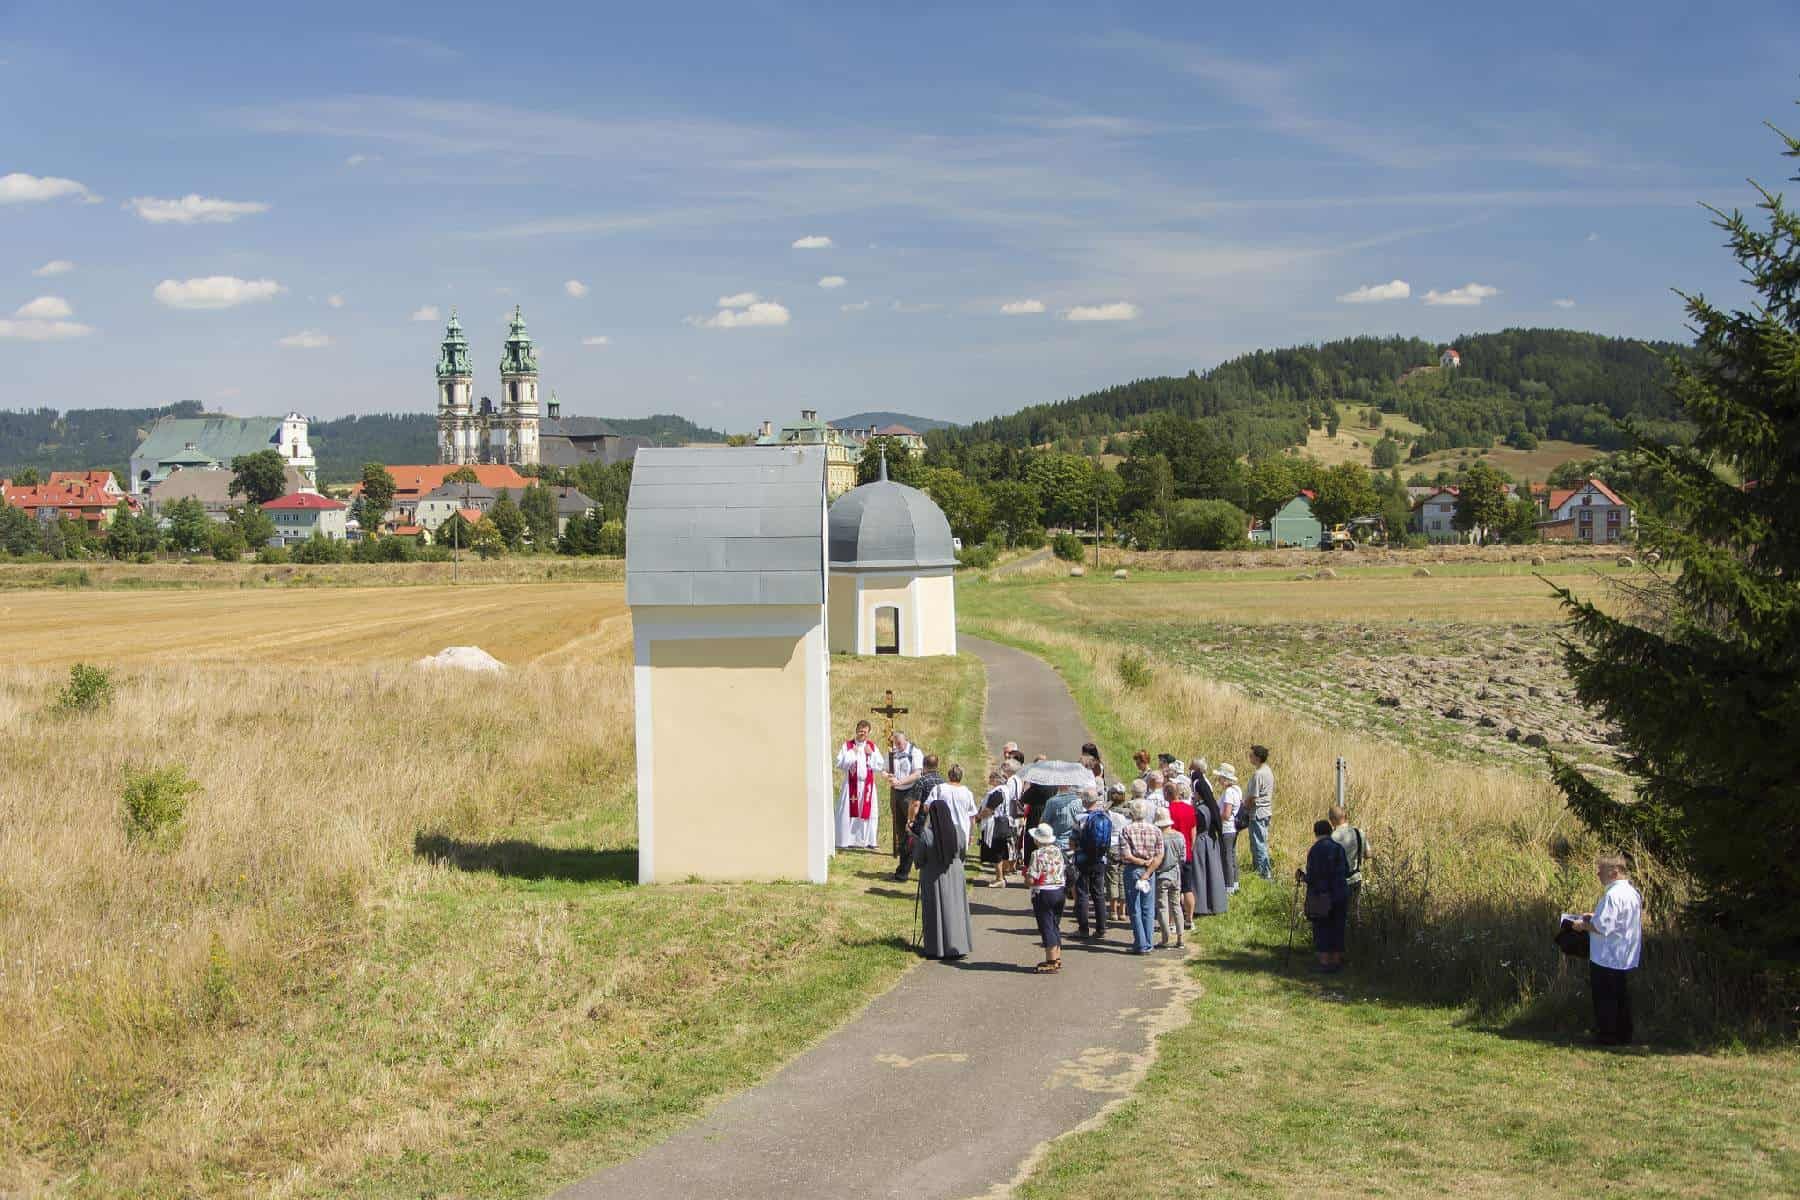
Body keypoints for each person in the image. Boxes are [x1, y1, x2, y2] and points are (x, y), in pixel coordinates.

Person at [1568, 852, 1642, 1045]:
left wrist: (1581, 925)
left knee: (1605, 997)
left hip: (1607, 955)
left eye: (1602, 870)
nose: (1598, 873)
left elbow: (1602, 927)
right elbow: (1617, 920)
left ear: (1615, 872)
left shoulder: (1612, 895)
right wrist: (1594, 915)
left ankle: (1607, 1036)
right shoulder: (1632, 893)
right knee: (1621, 996)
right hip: (1624, 954)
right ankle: (1624, 1035)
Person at [914, 767, 973, 961]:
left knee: (936, 911)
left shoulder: (927, 834)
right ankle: (958, 945)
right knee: (956, 909)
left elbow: (919, 859)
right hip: (955, 873)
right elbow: (962, 853)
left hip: (933, 876)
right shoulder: (958, 831)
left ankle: (936, 947)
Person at [1296, 819, 1349, 972]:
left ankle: (1325, 963)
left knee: (1322, 928)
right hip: (1340, 893)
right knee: (1338, 928)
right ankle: (1336, 962)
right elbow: (1346, 870)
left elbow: (1313, 876)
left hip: (1321, 895)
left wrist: (1302, 877)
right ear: (1330, 831)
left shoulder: (1315, 850)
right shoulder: (1339, 848)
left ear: (1316, 833)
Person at [1117, 800, 1164, 955]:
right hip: (1150, 869)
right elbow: (1160, 855)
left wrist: (1141, 862)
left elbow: (1126, 855)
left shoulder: (1126, 830)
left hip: (1133, 870)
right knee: (1148, 908)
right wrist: (1148, 871)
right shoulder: (1156, 830)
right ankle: (1148, 943)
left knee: (1134, 908)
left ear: (1132, 813)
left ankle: (1141, 944)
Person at [834, 720, 886, 850]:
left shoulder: (872, 746)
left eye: (865, 731)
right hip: (851, 784)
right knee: (847, 811)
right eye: (860, 731)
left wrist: (871, 754)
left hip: (867, 786)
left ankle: (867, 841)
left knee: (868, 812)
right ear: (856, 730)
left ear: (869, 732)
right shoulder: (848, 746)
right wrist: (853, 753)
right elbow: (840, 763)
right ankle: (846, 840)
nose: (862, 733)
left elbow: (880, 765)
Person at [894, 753, 944, 884]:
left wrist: (910, 820)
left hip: (922, 820)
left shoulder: (921, 781)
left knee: (908, 846)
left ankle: (902, 874)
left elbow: (916, 803)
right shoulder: (942, 781)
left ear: (924, 766)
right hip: (938, 821)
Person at [1025, 823, 1067, 974]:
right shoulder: (1058, 851)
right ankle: (1057, 957)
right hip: (1059, 890)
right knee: (1055, 924)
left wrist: (1026, 879)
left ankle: (1051, 961)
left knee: (1046, 926)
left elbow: (1031, 878)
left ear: (1037, 840)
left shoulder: (1037, 854)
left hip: (1044, 892)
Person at [1071, 790, 1111, 940]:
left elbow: (1072, 841)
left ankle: (1083, 929)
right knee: (1098, 893)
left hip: (1082, 859)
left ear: (1084, 801)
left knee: (1082, 893)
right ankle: (1101, 928)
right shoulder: (1105, 816)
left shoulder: (1080, 818)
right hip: (1100, 859)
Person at [1328, 804, 1370, 933]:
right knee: (1354, 913)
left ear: (1332, 820)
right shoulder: (1359, 832)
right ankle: (1356, 939)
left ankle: (1340, 940)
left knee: (1337, 915)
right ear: (1346, 816)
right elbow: (1368, 854)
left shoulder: (1332, 837)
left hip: (1339, 883)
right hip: (1356, 878)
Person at [1190, 783, 1230, 919]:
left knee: (1200, 874)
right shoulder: (1212, 807)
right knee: (1213, 874)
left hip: (1200, 843)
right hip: (1212, 843)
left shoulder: (1200, 811)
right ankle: (1216, 903)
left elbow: (1197, 828)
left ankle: (1201, 905)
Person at [886, 731, 924, 865]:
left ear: (905, 740)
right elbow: (884, 769)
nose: (898, 746)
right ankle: (903, 851)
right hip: (895, 792)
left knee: (910, 824)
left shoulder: (915, 752)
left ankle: (913, 854)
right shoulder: (892, 752)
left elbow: (917, 774)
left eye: (900, 744)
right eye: (896, 744)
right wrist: (888, 776)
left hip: (909, 792)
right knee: (898, 824)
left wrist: (900, 782)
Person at [1165, 781, 1199, 930]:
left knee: (1173, 890)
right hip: (1187, 854)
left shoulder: (1167, 811)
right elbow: (1193, 832)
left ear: (1167, 794)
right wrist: (1190, 848)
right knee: (1187, 888)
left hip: (1171, 855)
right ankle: (1189, 920)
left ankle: (1172, 922)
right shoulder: (1190, 809)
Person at [977, 768, 1014, 887]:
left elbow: (989, 810)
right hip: (1003, 822)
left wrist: (978, 817)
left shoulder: (998, 792)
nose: (989, 779)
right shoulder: (1005, 790)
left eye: (991, 777)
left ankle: (999, 878)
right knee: (1000, 851)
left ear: (996, 779)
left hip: (996, 824)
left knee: (996, 852)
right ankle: (1001, 877)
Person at [1154, 810, 1186, 949]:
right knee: (1176, 906)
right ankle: (1180, 938)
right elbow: (1183, 857)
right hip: (1176, 874)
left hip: (1162, 875)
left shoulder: (1159, 838)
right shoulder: (1180, 836)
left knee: (1163, 907)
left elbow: (1156, 858)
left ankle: (1165, 938)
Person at [1245, 744, 1275, 880]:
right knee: (1261, 842)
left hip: (1257, 812)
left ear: (1257, 758)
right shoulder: (1267, 770)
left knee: (1258, 844)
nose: (1249, 757)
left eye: (1251, 755)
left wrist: (1244, 807)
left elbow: (1253, 797)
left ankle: (1264, 874)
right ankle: (1261, 872)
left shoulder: (1258, 774)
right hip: (1265, 811)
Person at [1214, 763, 1242, 895]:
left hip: (1226, 828)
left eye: (1220, 777)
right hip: (1232, 829)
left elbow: (1226, 814)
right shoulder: (1236, 790)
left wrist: (1215, 817)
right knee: (1231, 856)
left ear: (1225, 778)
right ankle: (1235, 884)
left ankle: (1229, 887)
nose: (1218, 779)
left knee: (1226, 858)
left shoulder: (1229, 793)